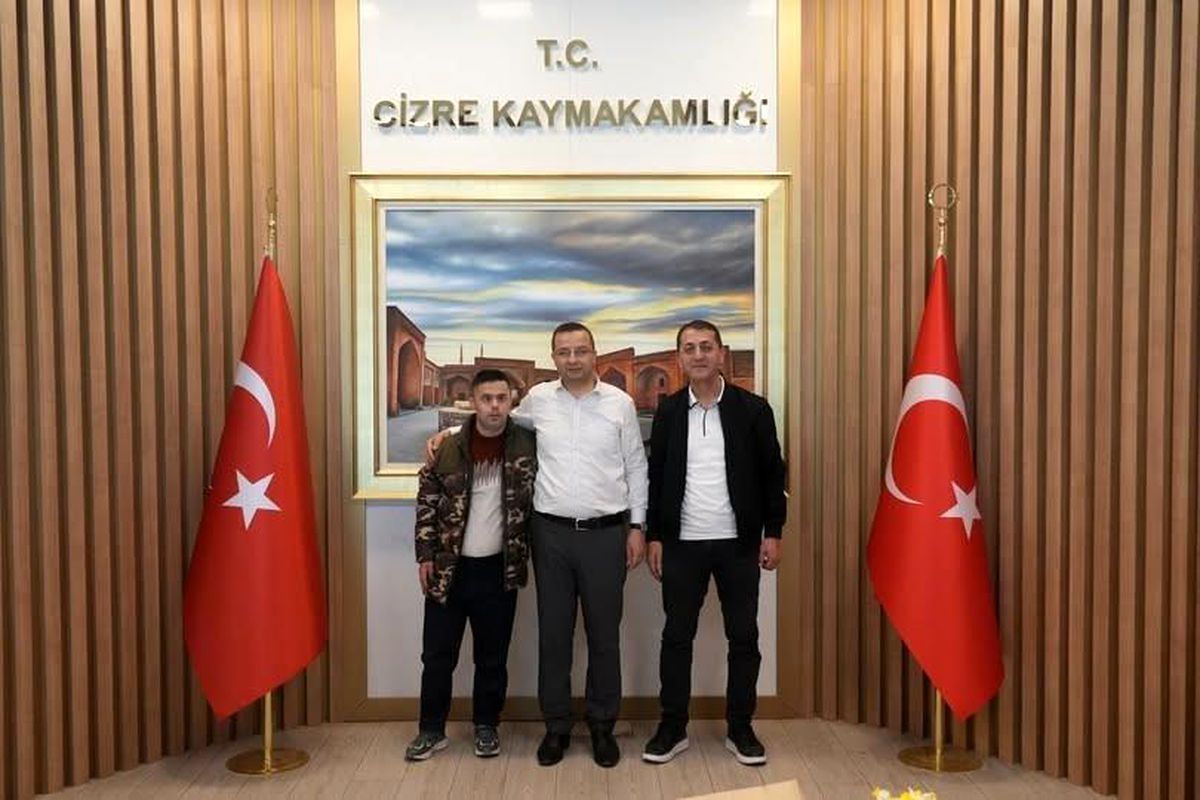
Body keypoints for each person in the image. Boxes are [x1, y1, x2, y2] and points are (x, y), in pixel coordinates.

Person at [427, 322, 648, 768]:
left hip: (606, 534)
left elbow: (636, 466)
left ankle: (602, 726)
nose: (572, 359)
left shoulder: (620, 404)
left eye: (580, 351)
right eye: (564, 352)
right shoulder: (540, 400)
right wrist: (447, 435)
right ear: (554, 357)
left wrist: (638, 526)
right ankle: (557, 726)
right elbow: (495, 420)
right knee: (554, 634)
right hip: (551, 535)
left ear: (594, 354)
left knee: (604, 635)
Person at [641, 320, 786, 766]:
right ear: (680, 357)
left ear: (721, 353)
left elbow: (773, 474)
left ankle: (741, 727)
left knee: (743, 637)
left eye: (706, 346)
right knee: (676, 636)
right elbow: (656, 476)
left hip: (738, 544)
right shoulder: (669, 412)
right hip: (681, 543)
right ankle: (672, 727)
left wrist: (774, 532)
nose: (699, 355)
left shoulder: (753, 409)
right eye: (689, 348)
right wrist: (654, 535)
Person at [405, 369, 537, 762]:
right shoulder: (447, 448)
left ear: (512, 400)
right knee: (437, 657)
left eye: (501, 398)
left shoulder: (528, 444)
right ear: (473, 402)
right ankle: (431, 730)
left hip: (500, 570)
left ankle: (486, 726)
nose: (494, 406)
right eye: (486, 399)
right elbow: (426, 503)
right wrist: (425, 555)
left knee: (492, 657)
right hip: (449, 570)